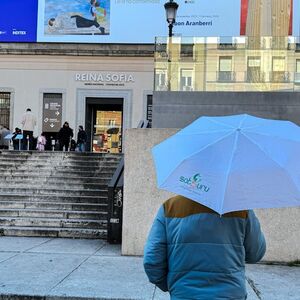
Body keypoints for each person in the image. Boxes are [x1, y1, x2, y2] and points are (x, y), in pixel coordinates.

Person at [144, 195, 266, 300]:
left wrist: (172, 285)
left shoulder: (170, 207)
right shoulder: (241, 209)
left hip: (185, 294)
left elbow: (152, 261)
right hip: (230, 294)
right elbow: (255, 254)